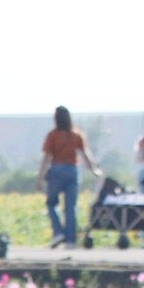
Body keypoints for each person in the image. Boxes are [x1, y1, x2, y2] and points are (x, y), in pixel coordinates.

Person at [35, 106, 102, 248]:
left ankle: (58, 232)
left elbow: (47, 157)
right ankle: (71, 240)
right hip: (73, 170)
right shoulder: (77, 134)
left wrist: (40, 177)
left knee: (52, 202)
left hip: (57, 169)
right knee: (71, 207)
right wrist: (94, 169)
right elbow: (85, 154)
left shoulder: (52, 135)